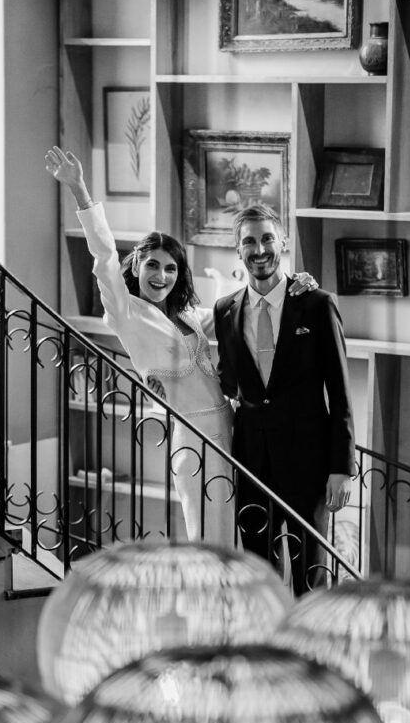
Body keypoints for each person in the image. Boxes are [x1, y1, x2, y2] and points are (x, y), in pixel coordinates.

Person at [45, 147, 316, 546]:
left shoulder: (188, 315)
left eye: (170, 267)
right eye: (152, 264)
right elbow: (103, 257)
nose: (161, 275)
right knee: (211, 539)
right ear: (136, 265)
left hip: (233, 428)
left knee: (249, 538)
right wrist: (80, 190)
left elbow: (240, 308)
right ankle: (210, 609)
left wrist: (292, 285)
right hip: (195, 439)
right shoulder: (127, 313)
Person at [213, 201, 355, 594]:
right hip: (252, 463)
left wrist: (341, 467)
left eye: (267, 239)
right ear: (238, 251)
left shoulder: (315, 304)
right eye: (249, 242)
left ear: (283, 242)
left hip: (308, 465)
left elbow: (341, 392)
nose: (259, 250)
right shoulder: (225, 310)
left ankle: (312, 650)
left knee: (311, 576)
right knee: (259, 576)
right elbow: (227, 380)